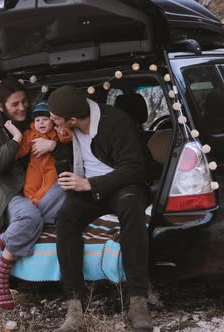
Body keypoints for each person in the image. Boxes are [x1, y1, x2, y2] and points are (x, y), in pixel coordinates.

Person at [47, 86, 152, 332]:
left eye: (55, 117)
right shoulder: (66, 130)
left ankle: (138, 301)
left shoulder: (116, 121)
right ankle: (74, 308)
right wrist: (57, 144)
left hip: (124, 185)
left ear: (73, 119)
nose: (51, 121)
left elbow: (135, 168)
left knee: (131, 209)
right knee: (66, 219)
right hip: (89, 189)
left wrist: (90, 184)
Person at [0, 78, 66, 310]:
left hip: (41, 190)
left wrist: (54, 146)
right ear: (1, 106)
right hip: (11, 195)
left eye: (24, 102)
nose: (21, 108)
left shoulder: (38, 119)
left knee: (68, 189)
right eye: (15, 104)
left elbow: (68, 139)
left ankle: (18, 232)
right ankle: (3, 270)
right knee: (29, 216)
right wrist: (16, 140)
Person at [14, 100, 72, 206]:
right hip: (34, 166)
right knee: (30, 184)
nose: (41, 122)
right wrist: (14, 154)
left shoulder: (55, 132)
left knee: (49, 185)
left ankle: (37, 202)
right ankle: (29, 201)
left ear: (53, 121)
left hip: (52, 167)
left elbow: (67, 139)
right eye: (37, 120)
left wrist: (63, 134)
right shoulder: (30, 134)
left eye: (45, 119)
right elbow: (22, 148)